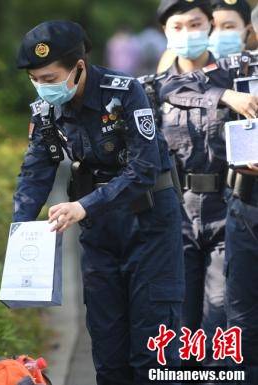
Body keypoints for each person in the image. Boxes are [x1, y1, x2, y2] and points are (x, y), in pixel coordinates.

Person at [13, 20, 184, 384]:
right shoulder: (45, 110)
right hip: (100, 233)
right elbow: (36, 170)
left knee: (151, 351)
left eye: (50, 78)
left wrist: (84, 205)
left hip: (149, 224)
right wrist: (22, 231)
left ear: (79, 66)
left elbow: (144, 169)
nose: (43, 87)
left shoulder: (124, 92)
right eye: (36, 79)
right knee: (107, 349)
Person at [146, 0, 258, 368]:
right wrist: (223, 97)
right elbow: (170, 89)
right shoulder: (159, 84)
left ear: (209, 25)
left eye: (195, 24)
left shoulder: (237, 71)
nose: (188, 34)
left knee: (222, 324)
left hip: (230, 212)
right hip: (177, 215)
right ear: (164, 32)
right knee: (179, 329)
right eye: (177, 27)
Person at [223, 5, 258, 381]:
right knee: (243, 320)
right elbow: (175, 82)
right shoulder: (239, 66)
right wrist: (226, 95)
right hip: (247, 203)